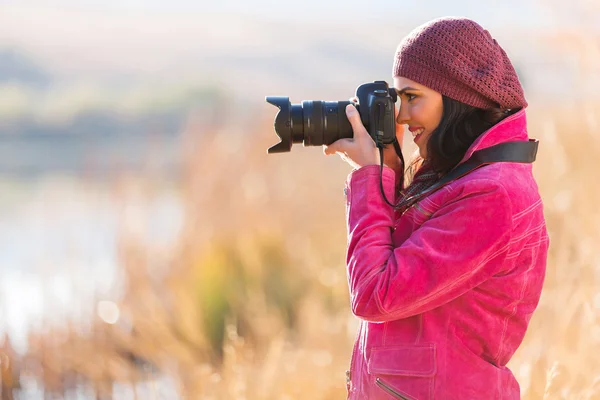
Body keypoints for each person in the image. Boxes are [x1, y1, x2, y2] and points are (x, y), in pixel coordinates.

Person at [323, 17, 549, 399]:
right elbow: (402, 264)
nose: (402, 115)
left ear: (458, 97)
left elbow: (376, 292)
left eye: (412, 97)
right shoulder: (462, 177)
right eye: (398, 99)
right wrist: (389, 172)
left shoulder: (492, 195)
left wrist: (370, 178)